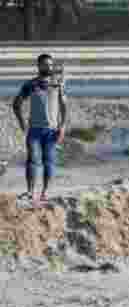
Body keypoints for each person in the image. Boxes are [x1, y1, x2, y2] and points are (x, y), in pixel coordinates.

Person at [12, 54, 68, 208]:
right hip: (34, 130)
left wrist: (62, 126)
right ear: (38, 66)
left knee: (48, 161)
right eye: (44, 65)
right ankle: (30, 192)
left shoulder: (58, 84)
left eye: (50, 65)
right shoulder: (31, 84)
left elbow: (64, 106)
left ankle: (44, 193)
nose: (48, 67)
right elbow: (16, 104)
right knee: (32, 160)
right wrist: (22, 122)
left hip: (51, 130)